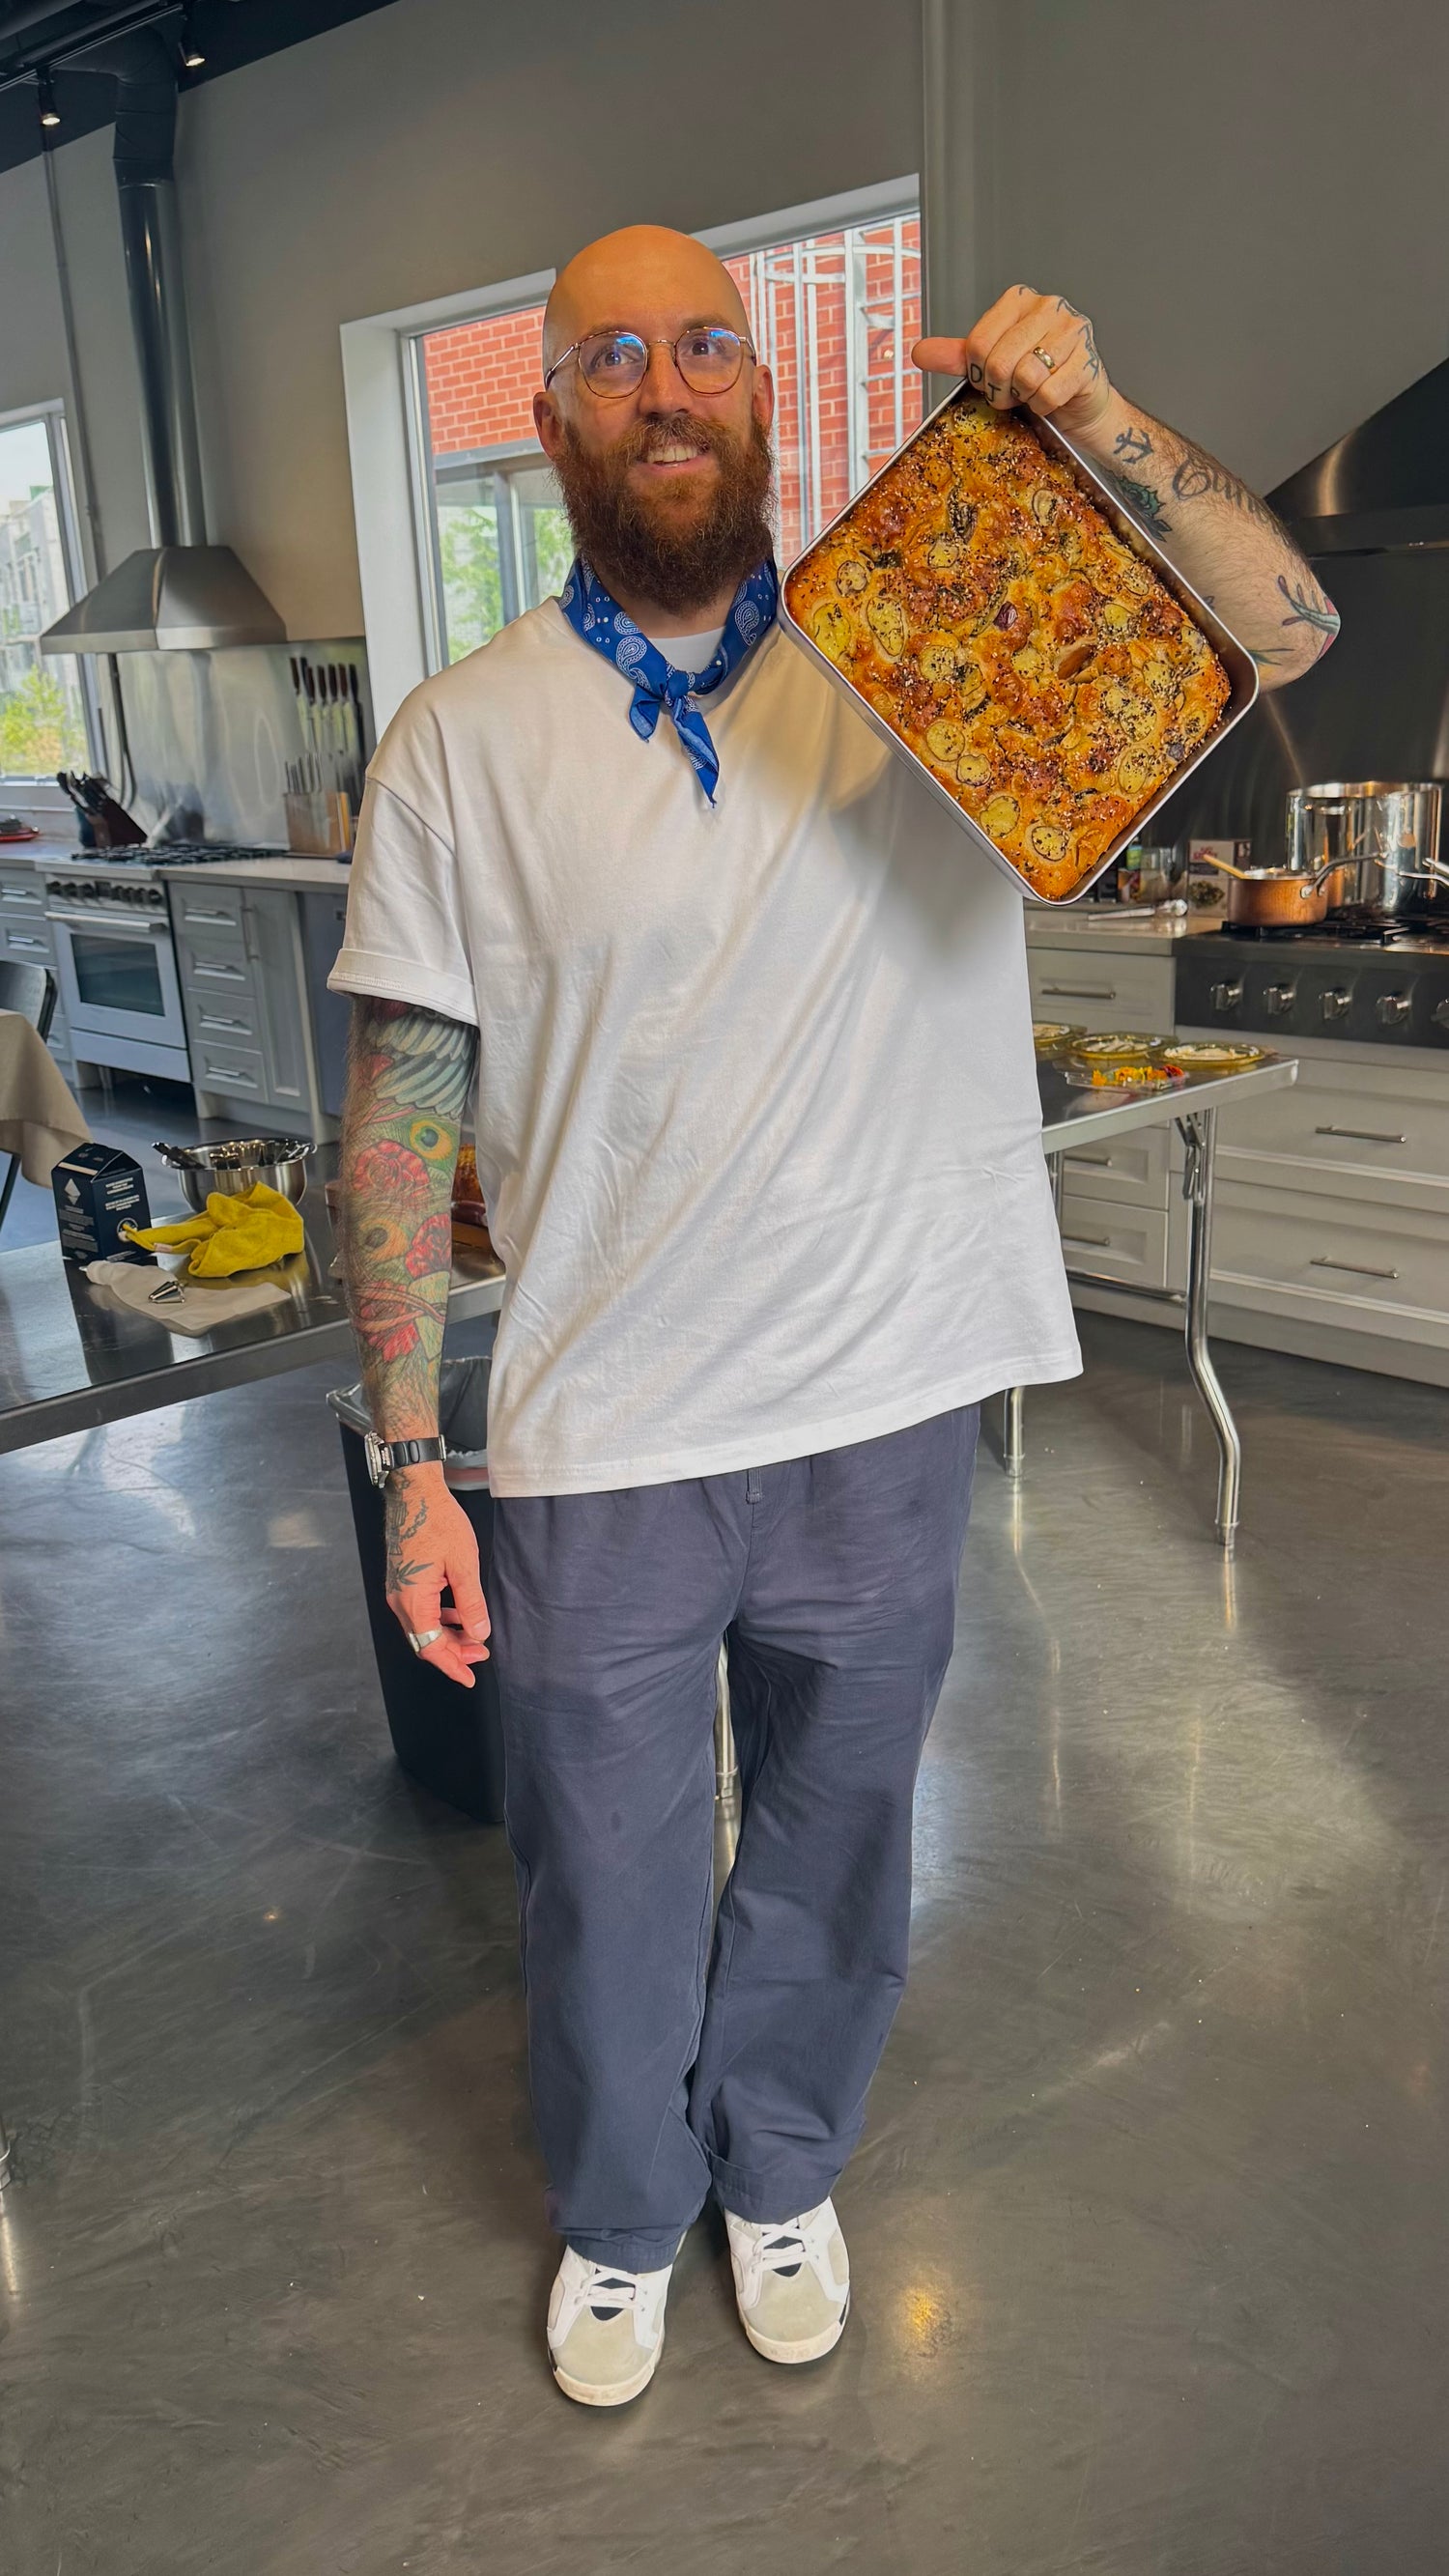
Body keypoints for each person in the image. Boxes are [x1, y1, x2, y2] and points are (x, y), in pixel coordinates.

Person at [330, 228, 1334, 2407]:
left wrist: (1097, 417)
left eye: (707, 345)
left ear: (768, 392)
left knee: (837, 1831)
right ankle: (623, 2211)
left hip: (885, 1393)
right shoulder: (461, 741)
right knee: (600, 1869)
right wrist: (413, 1454)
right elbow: (400, 1116)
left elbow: (1283, 627)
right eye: (614, 356)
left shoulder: (940, 655)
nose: (666, 387)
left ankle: (780, 2161)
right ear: (553, 416)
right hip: (599, 1425)